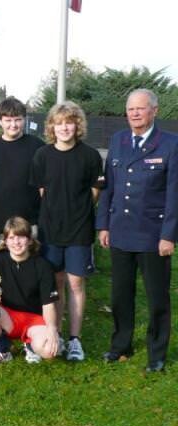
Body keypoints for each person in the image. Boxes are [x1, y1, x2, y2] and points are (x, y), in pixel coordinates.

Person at [96, 88, 178, 373]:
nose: (134, 113)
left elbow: (174, 194)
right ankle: (121, 345)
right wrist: (103, 224)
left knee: (157, 298)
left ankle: (156, 354)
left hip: (153, 235)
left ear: (154, 111)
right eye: (131, 109)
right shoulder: (118, 140)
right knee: (121, 294)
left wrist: (169, 235)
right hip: (120, 230)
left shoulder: (170, 144)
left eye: (140, 108)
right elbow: (109, 187)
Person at [31, 101, 104, 361]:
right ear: (52, 127)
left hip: (80, 230)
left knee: (75, 283)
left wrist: (77, 212)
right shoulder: (42, 156)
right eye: (59, 123)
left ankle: (75, 339)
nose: (64, 128)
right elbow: (42, 192)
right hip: (51, 230)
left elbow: (95, 192)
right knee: (56, 282)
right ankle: (56, 334)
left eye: (69, 123)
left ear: (77, 125)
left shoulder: (90, 156)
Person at [0, 216, 59, 369]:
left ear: (30, 240)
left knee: (49, 352)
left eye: (21, 237)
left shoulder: (43, 266)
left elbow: (49, 304)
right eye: (12, 238)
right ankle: (3, 348)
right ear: (5, 241)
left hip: (34, 319)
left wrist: (52, 330)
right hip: (8, 317)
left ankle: (30, 345)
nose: (16, 242)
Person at [0, 97, 45, 255]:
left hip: (30, 225)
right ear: (0, 121)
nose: (13, 125)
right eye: (8, 120)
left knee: (30, 268)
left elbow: (46, 185)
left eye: (18, 120)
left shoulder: (38, 147)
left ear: (24, 119)